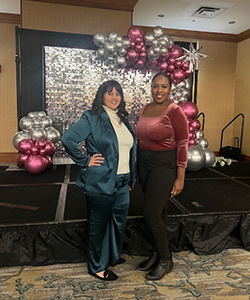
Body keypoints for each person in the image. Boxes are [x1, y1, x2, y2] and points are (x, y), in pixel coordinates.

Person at [61, 80, 136, 281]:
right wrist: (85, 161)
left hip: (122, 181)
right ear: (101, 96)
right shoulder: (92, 117)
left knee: (118, 222)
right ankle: (97, 266)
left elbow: (127, 151)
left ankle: (111, 256)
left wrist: (130, 178)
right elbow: (67, 139)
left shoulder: (123, 120)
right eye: (109, 93)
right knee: (99, 225)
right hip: (101, 181)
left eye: (118, 93)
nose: (114, 97)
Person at [134, 72, 189, 280]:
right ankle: (157, 253)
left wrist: (180, 176)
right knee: (160, 213)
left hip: (164, 165)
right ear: (150, 87)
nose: (159, 90)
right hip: (145, 163)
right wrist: (139, 167)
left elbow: (183, 143)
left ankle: (165, 260)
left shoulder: (174, 110)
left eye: (164, 86)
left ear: (170, 89)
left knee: (151, 214)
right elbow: (140, 139)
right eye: (155, 86)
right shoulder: (145, 108)